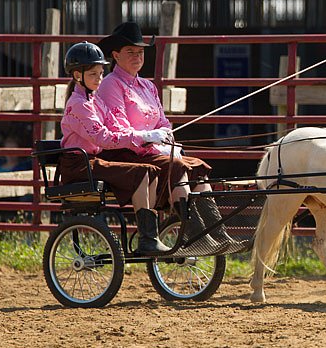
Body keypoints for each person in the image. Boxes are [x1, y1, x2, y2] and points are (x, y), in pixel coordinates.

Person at [96, 21, 238, 247]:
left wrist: (166, 136)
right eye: (130, 52)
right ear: (116, 55)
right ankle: (195, 234)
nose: (137, 57)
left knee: (197, 167)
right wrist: (152, 138)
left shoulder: (147, 86)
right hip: (128, 154)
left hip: (153, 152)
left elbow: (163, 121)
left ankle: (217, 232)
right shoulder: (111, 85)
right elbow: (119, 128)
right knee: (178, 166)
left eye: (140, 52)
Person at [59, 41, 170, 254]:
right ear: (77, 76)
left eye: (101, 73)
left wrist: (144, 138)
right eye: (93, 74)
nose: (99, 79)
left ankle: (149, 235)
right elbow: (103, 137)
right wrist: (142, 136)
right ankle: (148, 237)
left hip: (94, 161)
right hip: (79, 165)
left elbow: (115, 128)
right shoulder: (79, 105)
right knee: (143, 171)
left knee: (151, 170)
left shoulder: (96, 101)